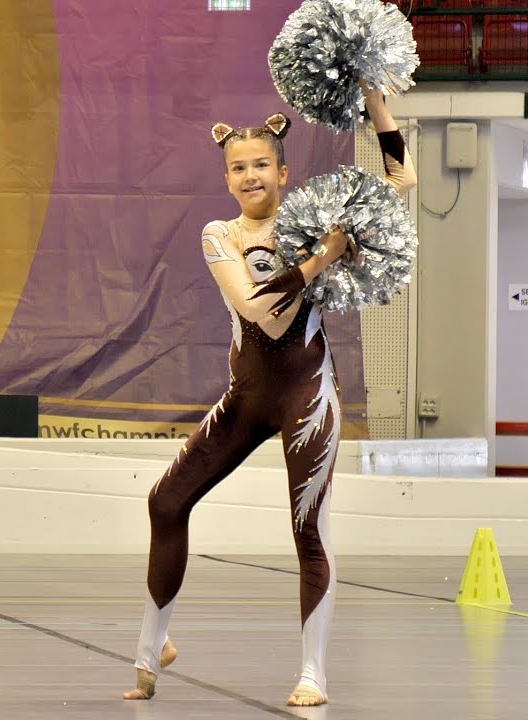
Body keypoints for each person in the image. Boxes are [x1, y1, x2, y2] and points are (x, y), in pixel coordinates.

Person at [122, 86, 417, 708]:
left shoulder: (311, 219)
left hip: (307, 396)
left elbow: (403, 177)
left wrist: (373, 98)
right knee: (165, 501)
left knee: (309, 530)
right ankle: (152, 651)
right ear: (225, 177)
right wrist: (322, 259)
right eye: (237, 167)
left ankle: (313, 673)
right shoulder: (218, 235)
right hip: (248, 395)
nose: (249, 175)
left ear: (283, 172)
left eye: (261, 165)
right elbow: (261, 312)